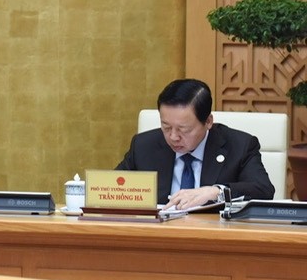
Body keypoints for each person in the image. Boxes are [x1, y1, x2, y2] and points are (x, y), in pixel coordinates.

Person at [116, 78, 275, 209]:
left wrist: (216, 192)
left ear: (208, 122)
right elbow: (112, 189)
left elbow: (263, 190)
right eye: (166, 127)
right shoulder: (143, 145)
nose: (173, 137)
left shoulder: (240, 146)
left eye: (183, 129)